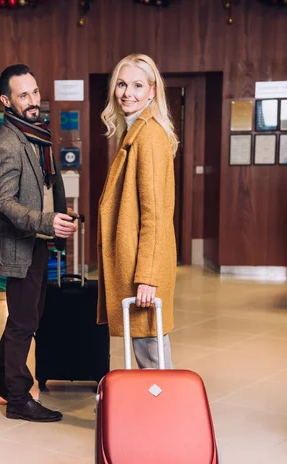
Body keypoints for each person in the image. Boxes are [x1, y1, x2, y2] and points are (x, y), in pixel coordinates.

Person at [0, 64, 77, 421]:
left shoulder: (36, 135)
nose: (33, 100)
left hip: (37, 241)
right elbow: (3, 204)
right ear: (6, 100)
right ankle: (18, 398)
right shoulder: (6, 144)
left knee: (27, 316)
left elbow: (44, 189)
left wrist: (59, 218)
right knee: (23, 323)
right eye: (24, 95)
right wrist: (48, 222)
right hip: (20, 245)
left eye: (35, 92)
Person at [97, 54, 178, 369]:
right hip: (136, 265)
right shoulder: (135, 131)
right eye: (121, 84)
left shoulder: (149, 137)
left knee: (152, 357)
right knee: (147, 353)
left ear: (152, 91)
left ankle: (167, 417)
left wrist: (148, 277)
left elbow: (155, 216)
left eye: (137, 85)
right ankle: (156, 416)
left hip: (141, 270)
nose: (127, 93)